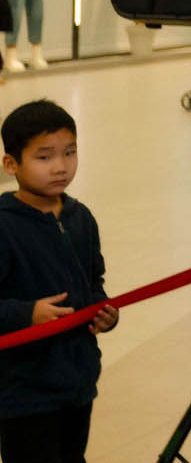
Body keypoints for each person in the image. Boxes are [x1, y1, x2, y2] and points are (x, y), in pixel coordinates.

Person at [0, 100, 118, 463]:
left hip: (78, 381)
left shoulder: (81, 218)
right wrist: (26, 314)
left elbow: (93, 281)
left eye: (70, 152)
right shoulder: (4, 226)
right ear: (11, 164)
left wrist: (104, 312)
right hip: (23, 391)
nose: (61, 167)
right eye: (44, 157)